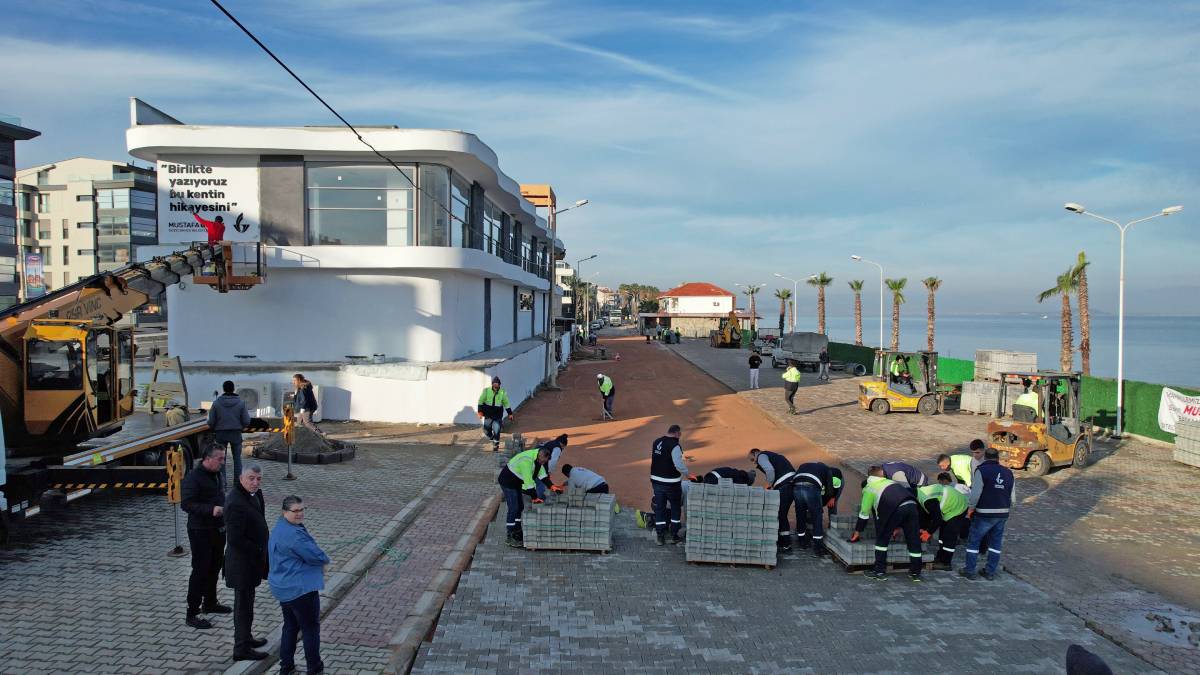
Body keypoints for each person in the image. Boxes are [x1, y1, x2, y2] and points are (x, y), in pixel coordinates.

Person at [270, 495, 331, 675]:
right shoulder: (294, 536)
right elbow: (315, 555)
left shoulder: (280, 527)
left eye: (302, 509)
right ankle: (314, 668)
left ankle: (286, 667)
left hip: (283, 588)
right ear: (284, 512)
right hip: (300, 590)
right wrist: (325, 561)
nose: (299, 514)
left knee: (290, 626)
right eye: (295, 511)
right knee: (310, 629)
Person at [224, 464, 270, 660]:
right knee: (242, 607)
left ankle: (247, 637)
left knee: (248, 603)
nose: (255, 483)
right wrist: (258, 549)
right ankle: (241, 649)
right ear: (241, 478)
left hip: (252, 562)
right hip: (241, 564)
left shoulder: (255, 495)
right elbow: (235, 538)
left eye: (258, 479)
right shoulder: (235, 502)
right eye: (251, 478)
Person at [180, 445, 229, 629]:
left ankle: (210, 602)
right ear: (208, 458)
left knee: (215, 565)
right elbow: (186, 504)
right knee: (200, 569)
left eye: (223, 458)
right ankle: (192, 612)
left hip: (218, 529)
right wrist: (210, 510)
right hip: (200, 530)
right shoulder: (193, 478)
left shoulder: (217, 474)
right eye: (220, 459)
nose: (222, 462)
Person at [851, 465, 925, 581]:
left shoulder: (869, 487)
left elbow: (864, 512)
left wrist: (857, 531)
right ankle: (916, 573)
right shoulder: (892, 483)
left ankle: (879, 572)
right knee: (913, 540)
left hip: (895, 509)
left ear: (869, 477)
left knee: (882, 539)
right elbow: (902, 502)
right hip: (912, 505)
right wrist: (897, 524)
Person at [961, 448, 1015, 581]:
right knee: (995, 544)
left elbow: (975, 493)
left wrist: (970, 509)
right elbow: (1013, 498)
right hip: (1002, 514)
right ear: (998, 458)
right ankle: (990, 572)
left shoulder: (981, 471)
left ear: (985, 458)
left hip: (984, 514)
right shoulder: (1008, 473)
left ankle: (970, 571)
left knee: (974, 541)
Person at [497, 444, 551, 547]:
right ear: (540, 456)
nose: (543, 463)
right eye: (543, 461)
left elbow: (543, 475)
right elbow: (529, 482)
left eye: (545, 462)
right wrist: (535, 497)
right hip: (507, 482)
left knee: (520, 506)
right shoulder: (527, 461)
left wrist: (552, 486)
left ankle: (517, 530)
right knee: (513, 508)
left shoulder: (538, 459)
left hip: (516, 482)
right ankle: (510, 535)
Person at [917, 473, 969, 571]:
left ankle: (946, 563)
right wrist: (923, 529)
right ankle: (940, 557)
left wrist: (928, 532)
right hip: (950, 506)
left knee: (949, 536)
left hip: (958, 508)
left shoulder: (926, 499)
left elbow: (937, 519)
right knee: (942, 536)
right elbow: (926, 516)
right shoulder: (920, 495)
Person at [749, 448, 797, 550]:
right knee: (781, 514)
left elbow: (770, 470)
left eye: (752, 460)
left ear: (755, 453)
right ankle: (783, 540)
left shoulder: (761, 456)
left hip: (785, 485)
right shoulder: (774, 456)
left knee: (780, 514)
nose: (754, 463)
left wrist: (768, 485)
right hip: (790, 484)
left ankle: (786, 543)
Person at [650, 425, 688, 546]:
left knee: (660, 507)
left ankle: (660, 536)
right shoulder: (675, 446)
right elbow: (678, 464)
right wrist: (687, 473)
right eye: (680, 434)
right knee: (675, 507)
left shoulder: (656, 442)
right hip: (671, 483)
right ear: (676, 433)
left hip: (656, 481)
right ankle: (673, 535)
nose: (680, 436)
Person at [791, 461, 837, 556]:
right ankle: (818, 546)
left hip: (796, 486)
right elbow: (829, 489)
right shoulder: (827, 469)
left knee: (800, 514)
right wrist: (824, 501)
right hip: (811, 487)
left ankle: (802, 541)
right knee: (817, 516)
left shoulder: (803, 465)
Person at [208, 380, 252, 482]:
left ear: (223, 389)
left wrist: (214, 428)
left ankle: (222, 483)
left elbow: (211, 421)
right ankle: (238, 482)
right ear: (233, 389)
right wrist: (240, 427)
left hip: (221, 434)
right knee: (237, 459)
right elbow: (246, 421)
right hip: (236, 434)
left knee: (221, 459)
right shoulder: (241, 403)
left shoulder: (216, 403)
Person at [477, 376, 514, 452]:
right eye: (494, 384)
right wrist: (480, 412)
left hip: (497, 415)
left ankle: (496, 445)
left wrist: (510, 413)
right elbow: (480, 401)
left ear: (499, 385)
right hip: (488, 415)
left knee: (497, 430)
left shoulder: (502, 392)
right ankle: (492, 438)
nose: (496, 386)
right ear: (492, 384)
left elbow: (506, 403)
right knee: (486, 430)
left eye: (497, 384)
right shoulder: (486, 391)